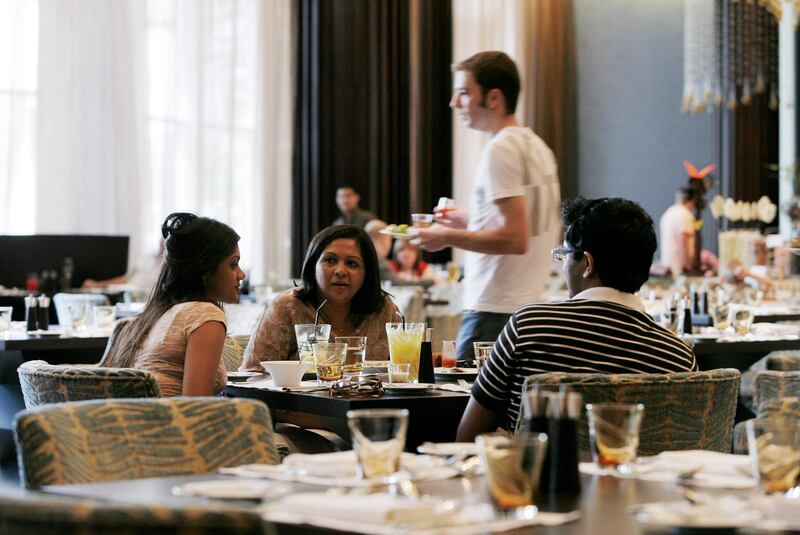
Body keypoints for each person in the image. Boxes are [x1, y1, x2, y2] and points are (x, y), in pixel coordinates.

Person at [456, 197, 698, 442]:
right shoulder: (678, 357)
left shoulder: (529, 326)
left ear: (587, 264)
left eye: (565, 255)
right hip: (637, 479)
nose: (564, 266)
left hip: (537, 479)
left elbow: (467, 438)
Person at [412, 50, 562, 362]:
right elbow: (530, 228)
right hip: (527, 308)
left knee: (465, 408)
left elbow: (515, 239)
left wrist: (446, 237)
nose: (455, 103)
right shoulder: (537, 146)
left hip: (493, 310)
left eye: (464, 93)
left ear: (494, 98)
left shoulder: (500, 149)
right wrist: (470, 222)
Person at [104, 212, 245, 397]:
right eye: (233, 264)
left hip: (133, 423)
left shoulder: (154, 314)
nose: (242, 274)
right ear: (204, 269)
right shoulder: (205, 315)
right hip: (171, 423)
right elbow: (196, 407)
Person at [241, 225, 399, 369]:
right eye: (330, 260)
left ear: (367, 273)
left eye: (352, 263)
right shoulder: (286, 307)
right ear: (313, 267)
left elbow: (406, 372)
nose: (340, 271)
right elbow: (253, 374)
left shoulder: (384, 310)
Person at [659, 187, 698, 276]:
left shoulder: (669, 213)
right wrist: (690, 261)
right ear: (692, 201)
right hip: (681, 265)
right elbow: (684, 239)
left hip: (667, 264)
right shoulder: (685, 215)